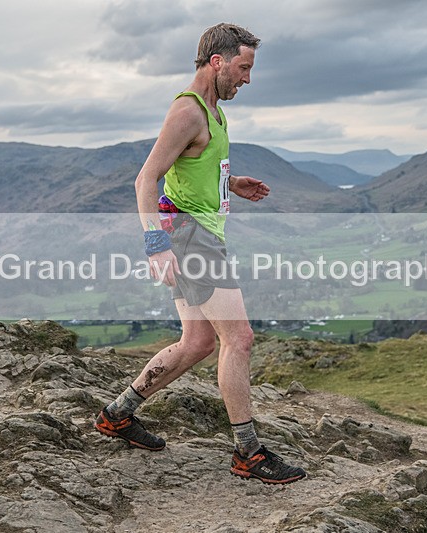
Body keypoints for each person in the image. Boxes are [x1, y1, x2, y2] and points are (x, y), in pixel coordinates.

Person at [95, 22, 307, 485]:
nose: (247, 78)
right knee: (240, 338)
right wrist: (156, 244)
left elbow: (190, 167)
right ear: (218, 61)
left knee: (198, 342)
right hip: (189, 235)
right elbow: (146, 179)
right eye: (243, 68)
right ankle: (248, 453)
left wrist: (231, 183)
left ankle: (118, 413)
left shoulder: (215, 111)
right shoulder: (188, 112)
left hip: (198, 229)